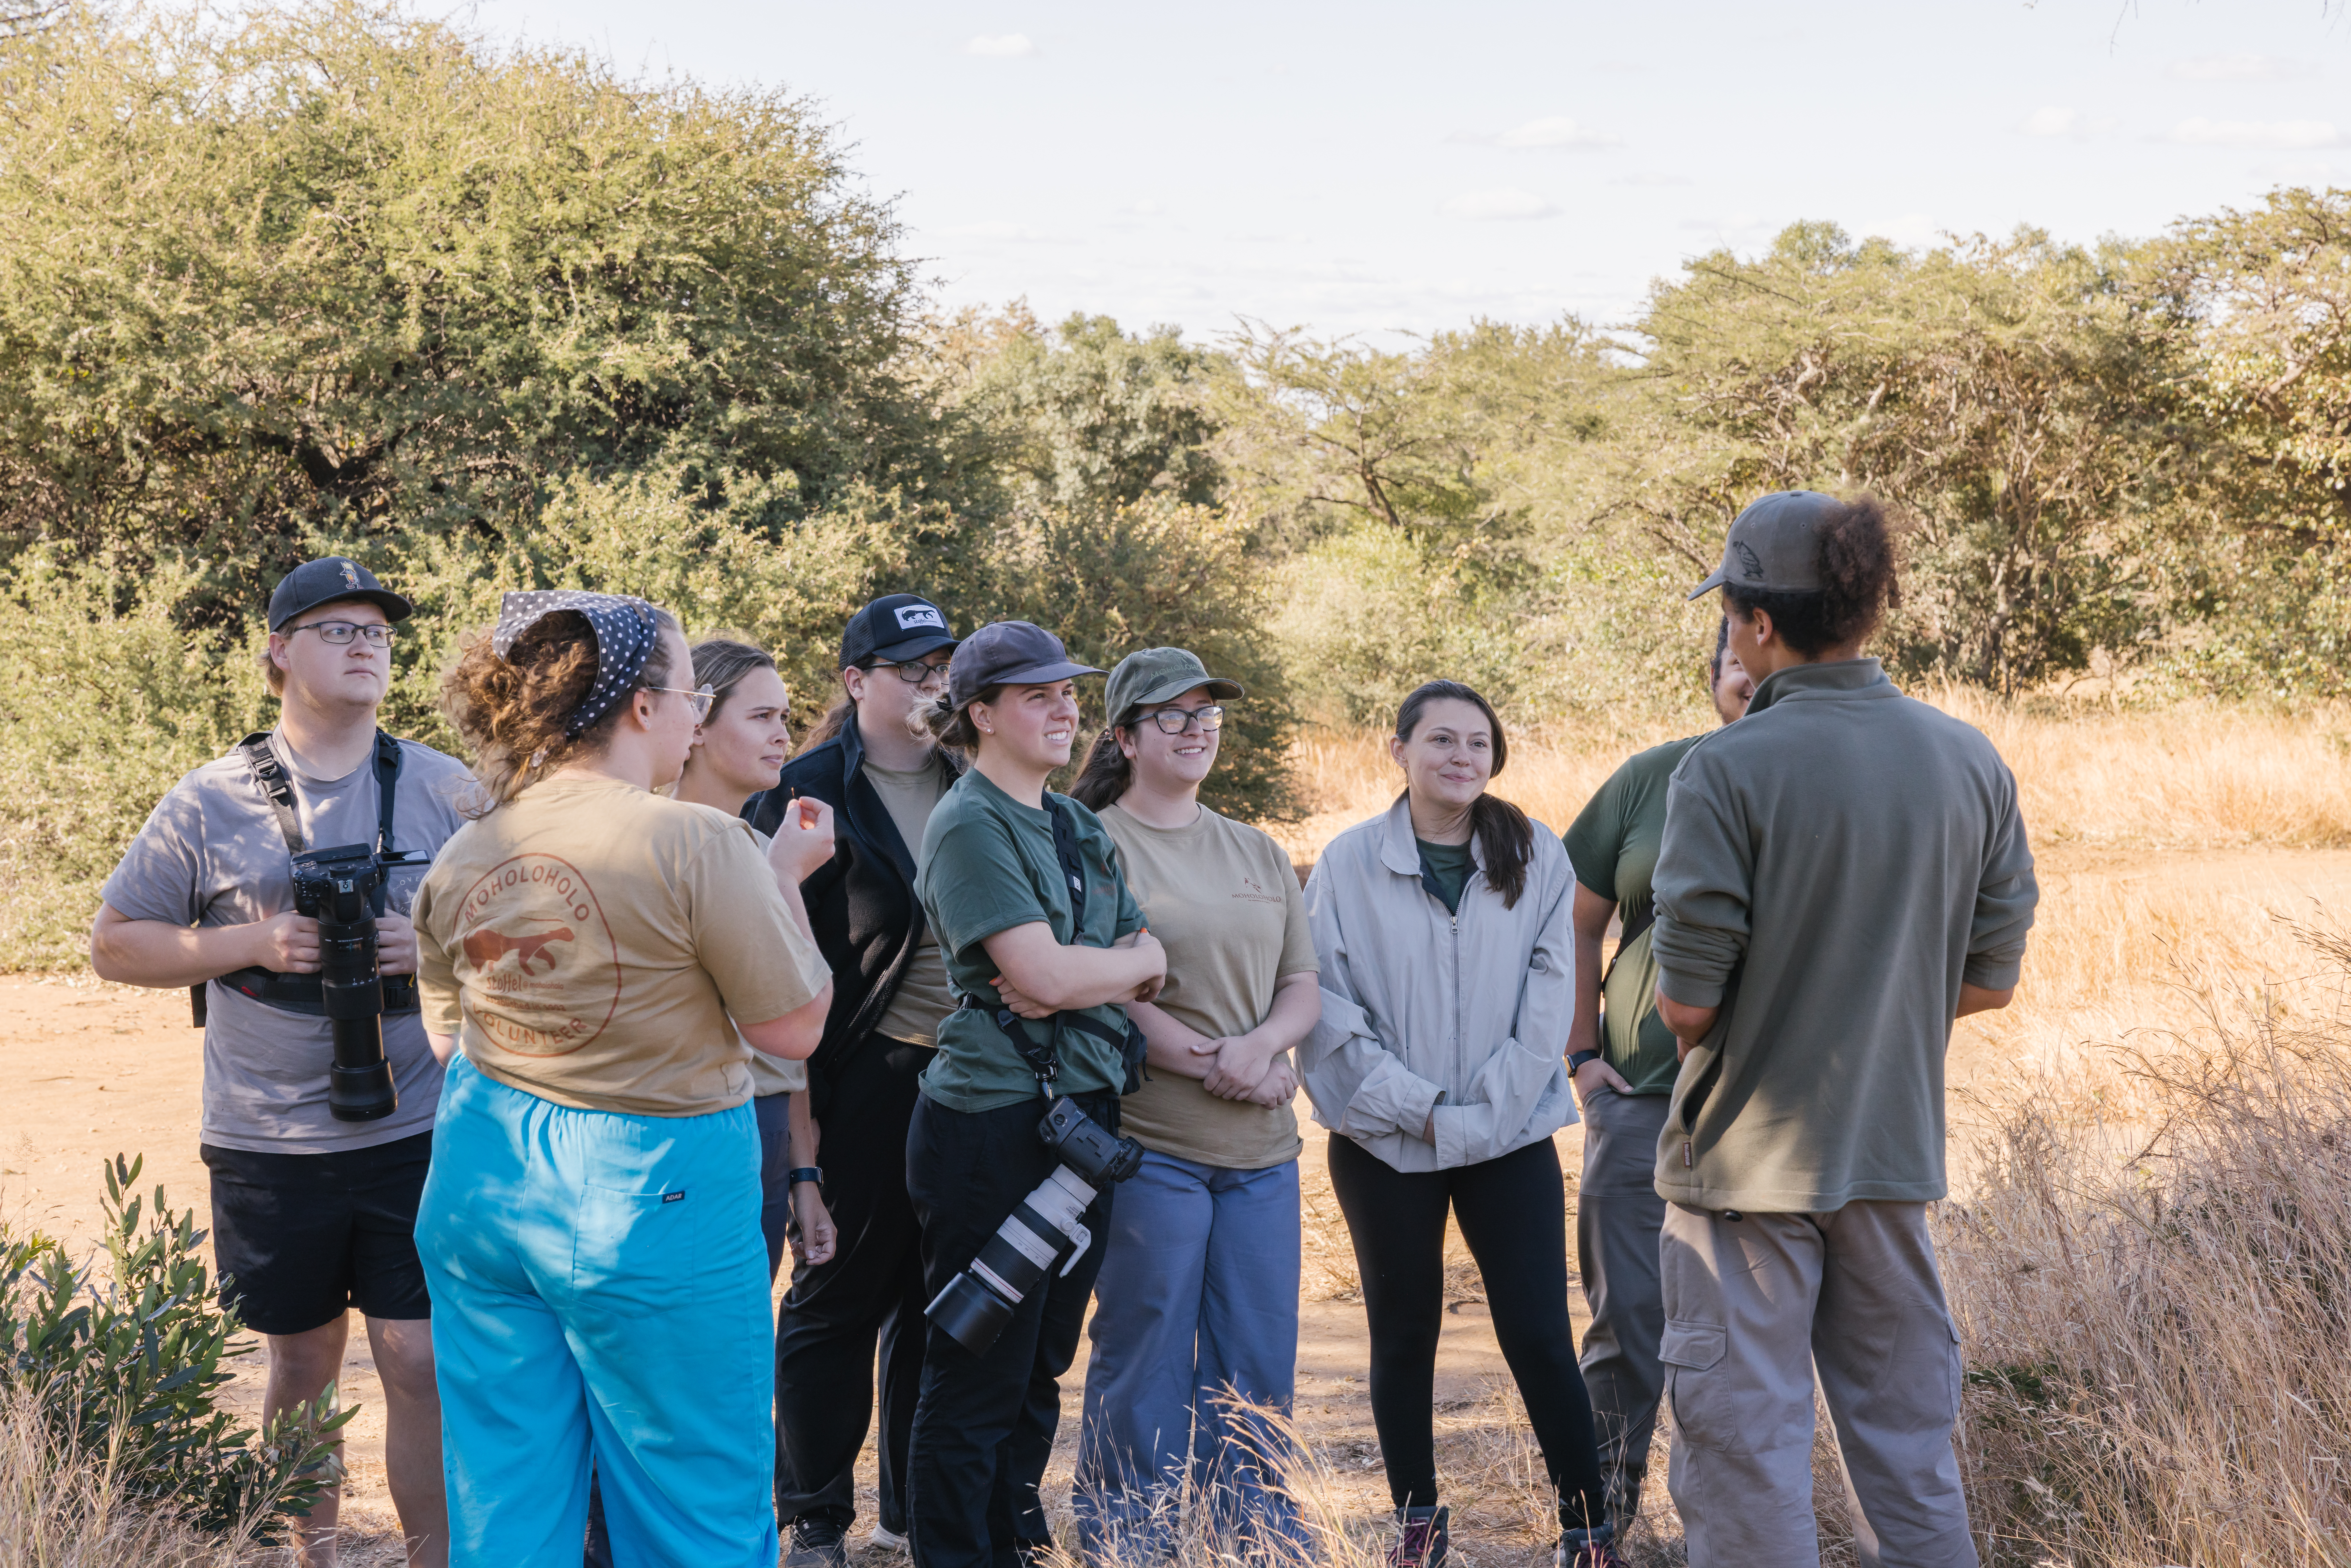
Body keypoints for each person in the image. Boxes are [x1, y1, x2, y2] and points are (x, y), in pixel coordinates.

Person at [409, 590, 837, 1566]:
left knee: (507, 1499)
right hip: (651, 1193)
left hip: (482, 1178)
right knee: (696, 1502)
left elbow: (452, 1038)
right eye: (690, 694)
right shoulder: (696, 841)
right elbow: (793, 1026)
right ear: (644, 707)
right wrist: (782, 879)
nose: (694, 716)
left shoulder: (468, 848)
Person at [1651, 491, 2038, 1566]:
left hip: (1742, 1174)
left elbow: (1686, 1003)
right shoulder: (1967, 758)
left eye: (1729, 612)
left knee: (1746, 1457)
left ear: (1759, 623)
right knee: (1909, 1447)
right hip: (1890, 1154)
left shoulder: (1722, 769)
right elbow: (1991, 979)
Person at [90, 557, 469, 1568]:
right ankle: (318, 1553)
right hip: (268, 1131)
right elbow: (116, 942)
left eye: (378, 633)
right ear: (278, 652)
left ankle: (434, 1559)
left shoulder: (443, 785)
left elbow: (525, 926)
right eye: (338, 628)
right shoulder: (210, 800)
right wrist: (250, 945)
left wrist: (426, 948)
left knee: (421, 1358)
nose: (364, 645)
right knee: (300, 1359)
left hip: (415, 1119)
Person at [1301, 681, 1618, 1568]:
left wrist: (1488, 1112)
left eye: (1478, 743)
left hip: (1510, 1138)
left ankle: (1587, 1532)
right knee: (1404, 1332)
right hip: (1383, 1142)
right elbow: (1331, 1011)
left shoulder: (1536, 854)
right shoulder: (1348, 864)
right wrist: (1424, 1112)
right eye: (1440, 740)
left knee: (1537, 1334)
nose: (1461, 757)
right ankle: (1419, 1530)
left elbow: (1554, 989)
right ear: (1396, 751)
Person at [903, 620, 1167, 1568]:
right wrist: (1103, 968)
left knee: (1041, 1363)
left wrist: (1087, 967)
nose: (1065, 708)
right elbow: (1049, 981)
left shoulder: (1075, 821)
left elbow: (1151, 961)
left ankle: (1008, 1541)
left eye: (1069, 692)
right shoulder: (969, 822)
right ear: (980, 715)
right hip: (993, 1123)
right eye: (1037, 695)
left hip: (1085, 1117)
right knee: (978, 1367)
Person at [1065, 647, 1324, 1562]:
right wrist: (1217, 1063)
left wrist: (1262, 1051)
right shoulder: (1089, 839)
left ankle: (1252, 1533)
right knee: (1148, 1350)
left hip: (1262, 1153)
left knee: (1257, 1356)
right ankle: (1126, 1533)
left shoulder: (1255, 847)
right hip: (1151, 1148)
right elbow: (1103, 990)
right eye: (1172, 716)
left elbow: (1302, 985)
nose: (1195, 729)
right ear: (1126, 736)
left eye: (1208, 714)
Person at [743, 594, 963, 1568]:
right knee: (837, 1291)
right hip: (861, 1074)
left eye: (942, 666)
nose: (931, 683)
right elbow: (766, 961)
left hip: (976, 1082)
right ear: (854, 679)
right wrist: (805, 1135)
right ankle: (814, 1515)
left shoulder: (980, 778)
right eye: (909, 666)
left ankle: (912, 1511)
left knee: (942, 1298)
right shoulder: (801, 791)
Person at [1558, 617, 1752, 1530]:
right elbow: (1572, 920)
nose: (1749, 678)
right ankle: (1599, 1528)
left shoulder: (1814, 783)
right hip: (1635, 1095)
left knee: (1744, 1328)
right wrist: (1583, 1057)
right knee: (1627, 1318)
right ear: (1715, 674)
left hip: (1763, 1105)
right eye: (1733, 668)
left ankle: (1728, 1532)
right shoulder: (1651, 778)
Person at [670, 635, 825, 1283]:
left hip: (760, 1133)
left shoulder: (765, 845)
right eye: (761, 716)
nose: (782, 736)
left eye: (785, 718)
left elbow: (788, 1047)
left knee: (735, 1354)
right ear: (697, 722)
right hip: (682, 1132)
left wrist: (803, 1175)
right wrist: (784, 878)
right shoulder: (657, 843)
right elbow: (797, 1013)